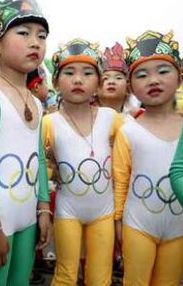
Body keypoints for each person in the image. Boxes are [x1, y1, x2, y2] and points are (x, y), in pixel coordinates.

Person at [0, 0, 51, 285]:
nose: (35, 42)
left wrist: (44, 207)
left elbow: (39, 159)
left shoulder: (37, 102)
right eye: (23, 33)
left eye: (41, 36)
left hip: (28, 217)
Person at [43, 38, 123, 285]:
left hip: (104, 211)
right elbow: (40, 168)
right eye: (69, 72)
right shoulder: (49, 123)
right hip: (68, 210)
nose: (78, 79)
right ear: (56, 82)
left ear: (98, 83)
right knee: (66, 275)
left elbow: (128, 161)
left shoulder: (112, 119)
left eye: (88, 73)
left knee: (100, 277)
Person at [114, 30, 183, 285]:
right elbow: (120, 180)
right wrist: (118, 221)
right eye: (142, 75)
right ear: (131, 86)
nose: (153, 80)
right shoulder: (128, 131)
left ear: (180, 77)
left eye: (163, 71)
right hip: (138, 225)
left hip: (180, 228)